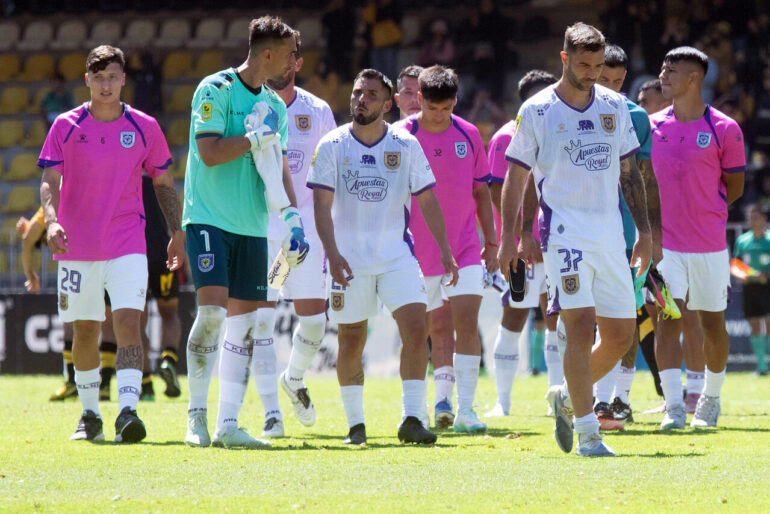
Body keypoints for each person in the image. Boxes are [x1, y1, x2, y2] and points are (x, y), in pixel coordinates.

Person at [498, 23, 652, 457]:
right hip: (564, 235)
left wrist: (643, 231)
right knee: (580, 328)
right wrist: (511, 237)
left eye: (598, 65)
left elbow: (629, 173)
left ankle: (566, 396)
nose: (592, 72)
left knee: (622, 336)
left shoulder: (614, 107)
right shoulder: (538, 110)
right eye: (583, 64)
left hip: (609, 236)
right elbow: (516, 176)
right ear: (564, 59)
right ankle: (588, 433)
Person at [38, 45, 184, 442]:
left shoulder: (144, 126)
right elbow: (49, 182)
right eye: (98, 78)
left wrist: (176, 232)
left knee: (128, 325)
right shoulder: (65, 126)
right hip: (76, 246)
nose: (106, 85)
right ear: (87, 80)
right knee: (85, 330)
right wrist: (50, 223)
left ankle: (128, 411)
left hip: (128, 242)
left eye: (113, 77)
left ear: (123, 80)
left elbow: (163, 182)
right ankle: (89, 415)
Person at [308, 68, 458, 445]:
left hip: (396, 256)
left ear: (388, 103)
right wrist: (332, 253)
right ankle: (356, 426)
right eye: (358, 92)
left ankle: (410, 418)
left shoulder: (405, 145)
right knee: (352, 339)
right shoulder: (332, 144)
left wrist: (444, 250)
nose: (361, 99)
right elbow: (321, 207)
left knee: (414, 328)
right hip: (348, 260)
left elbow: (427, 199)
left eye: (371, 94)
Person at [182, 16, 306, 449]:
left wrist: (292, 218)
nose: (295, 62)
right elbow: (210, 152)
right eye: (290, 54)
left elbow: (280, 165)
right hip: (209, 218)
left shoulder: (277, 106)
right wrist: (252, 139)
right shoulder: (213, 89)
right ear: (268, 54)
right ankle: (196, 416)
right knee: (213, 315)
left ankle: (227, 425)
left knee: (247, 326)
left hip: (253, 225)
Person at [396, 65, 497, 433]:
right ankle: (417, 408)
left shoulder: (469, 134)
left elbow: (481, 192)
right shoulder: (400, 136)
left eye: (445, 108)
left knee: (465, 321)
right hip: (413, 253)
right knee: (418, 330)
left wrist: (492, 241)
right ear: (418, 99)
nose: (438, 116)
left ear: (455, 101)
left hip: (465, 247)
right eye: (431, 108)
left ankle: (466, 410)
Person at [652, 46, 745, 429]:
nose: (663, 75)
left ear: (694, 78)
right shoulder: (651, 125)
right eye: (663, 68)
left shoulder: (724, 128)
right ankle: (674, 406)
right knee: (666, 320)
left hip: (708, 244)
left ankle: (711, 398)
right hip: (664, 246)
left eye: (671, 71)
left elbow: (734, 187)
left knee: (712, 325)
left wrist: (706, 212)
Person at [265, 46, 337, 434]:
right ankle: (269, 415)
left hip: (304, 239)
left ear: (298, 64)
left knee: (314, 322)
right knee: (261, 318)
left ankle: (292, 378)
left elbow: (329, 174)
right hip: (265, 234)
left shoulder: (319, 110)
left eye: (287, 58)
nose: (280, 65)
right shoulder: (252, 106)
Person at [593, 44, 662, 429]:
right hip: (582, 234)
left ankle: (618, 398)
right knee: (584, 317)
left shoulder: (635, 117)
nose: (611, 88)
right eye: (605, 79)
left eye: (618, 82)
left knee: (626, 318)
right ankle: (593, 395)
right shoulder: (568, 111)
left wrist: (649, 232)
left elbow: (646, 180)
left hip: (624, 236)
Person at [486, 69, 559, 419]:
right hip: (522, 248)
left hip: (559, 241)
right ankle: (503, 401)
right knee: (513, 316)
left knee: (557, 316)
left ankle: (557, 395)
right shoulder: (503, 138)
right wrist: (514, 241)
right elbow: (500, 193)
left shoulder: (562, 128)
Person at [732, 204, 770, 375]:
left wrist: (766, 275)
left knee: (768, 323)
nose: (752, 221)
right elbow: (735, 264)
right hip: (750, 288)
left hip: (767, 286)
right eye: (750, 218)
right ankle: (761, 366)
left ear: (764, 219)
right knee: (754, 324)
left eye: (755, 217)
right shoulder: (742, 241)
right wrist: (741, 276)